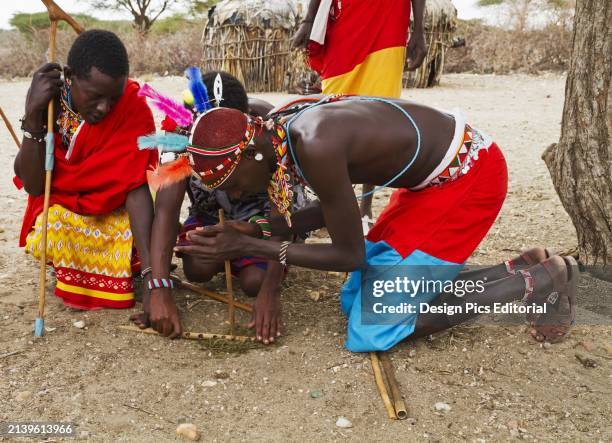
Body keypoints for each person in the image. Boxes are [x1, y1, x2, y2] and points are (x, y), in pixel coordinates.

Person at [170, 95, 579, 352]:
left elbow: (351, 253)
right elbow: (330, 208)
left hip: (468, 179)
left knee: (371, 327)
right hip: (427, 184)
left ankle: (544, 277)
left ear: (251, 156)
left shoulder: (315, 143)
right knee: (353, 301)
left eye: (234, 185)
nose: (237, 197)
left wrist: (249, 247)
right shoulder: (275, 129)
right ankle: (520, 267)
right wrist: (254, 230)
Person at [130, 71, 302, 344]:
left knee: (254, 283)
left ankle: (245, 259)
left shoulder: (269, 130)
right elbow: (166, 210)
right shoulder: (182, 134)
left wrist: (271, 290)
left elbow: (286, 213)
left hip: (259, 221)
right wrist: (157, 289)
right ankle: (229, 256)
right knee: (197, 269)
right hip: (209, 215)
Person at [14, 30, 157, 310]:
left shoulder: (133, 107)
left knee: (137, 234)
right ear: (70, 75)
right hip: (67, 211)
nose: (105, 108)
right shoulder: (49, 104)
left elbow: (135, 184)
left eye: (113, 98)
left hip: (117, 213)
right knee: (49, 229)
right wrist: (33, 116)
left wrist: (153, 277)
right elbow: (33, 185)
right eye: (95, 96)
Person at [292, 0, 428, 230]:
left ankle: (365, 206)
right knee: (331, 110)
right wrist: (308, 20)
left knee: (379, 111)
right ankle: (329, 199)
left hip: (390, 19)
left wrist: (418, 30)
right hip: (347, 20)